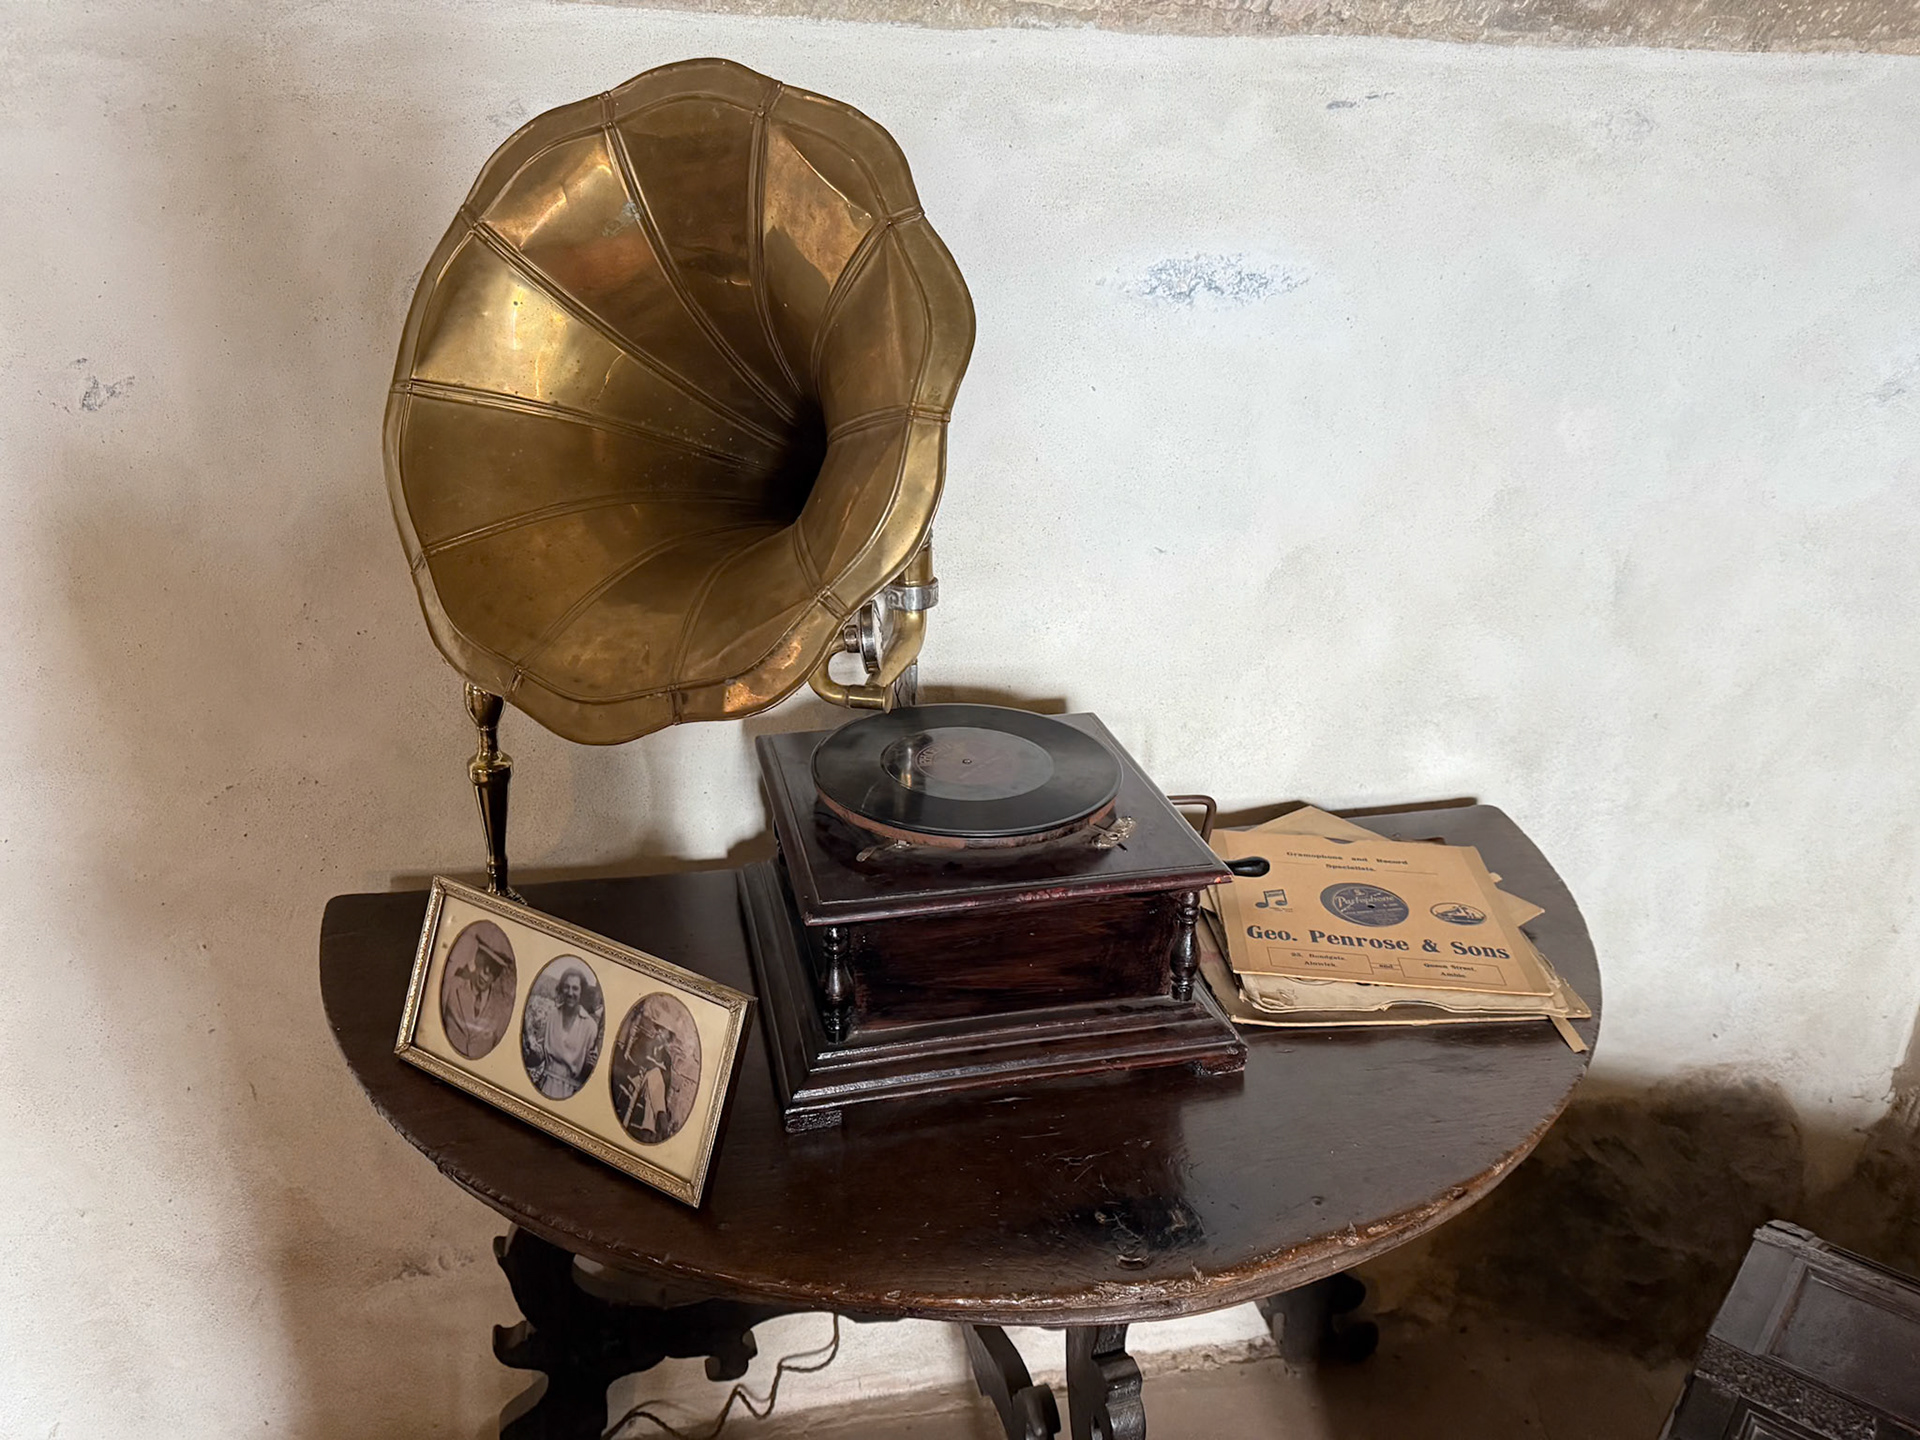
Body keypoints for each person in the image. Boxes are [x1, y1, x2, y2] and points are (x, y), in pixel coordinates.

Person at [523, 966, 599, 1099]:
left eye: (575, 988)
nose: (570, 993)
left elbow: (590, 1075)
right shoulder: (551, 1016)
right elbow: (538, 1058)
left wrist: (591, 1066)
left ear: (582, 992)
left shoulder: (590, 1026)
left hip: (572, 1094)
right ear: (561, 989)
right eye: (566, 987)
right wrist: (532, 1051)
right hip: (545, 1087)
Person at [441, 933, 513, 1058]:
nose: (487, 973)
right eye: (485, 963)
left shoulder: (500, 1009)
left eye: (494, 969)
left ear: (497, 976)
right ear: (476, 960)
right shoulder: (452, 986)